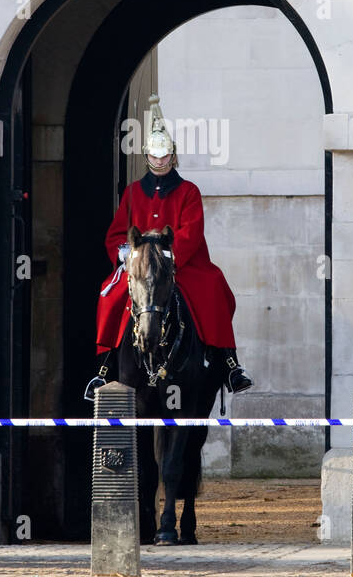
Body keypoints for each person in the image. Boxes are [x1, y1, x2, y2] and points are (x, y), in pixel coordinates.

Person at [84, 94, 253, 401]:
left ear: (173, 157)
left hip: (181, 264)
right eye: (155, 157)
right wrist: (126, 253)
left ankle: (229, 362)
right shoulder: (134, 192)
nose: (160, 162)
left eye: (165, 157)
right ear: (147, 156)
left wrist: (169, 257)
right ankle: (105, 368)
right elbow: (117, 232)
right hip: (139, 266)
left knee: (214, 287)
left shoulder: (189, 190)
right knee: (109, 295)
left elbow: (191, 231)